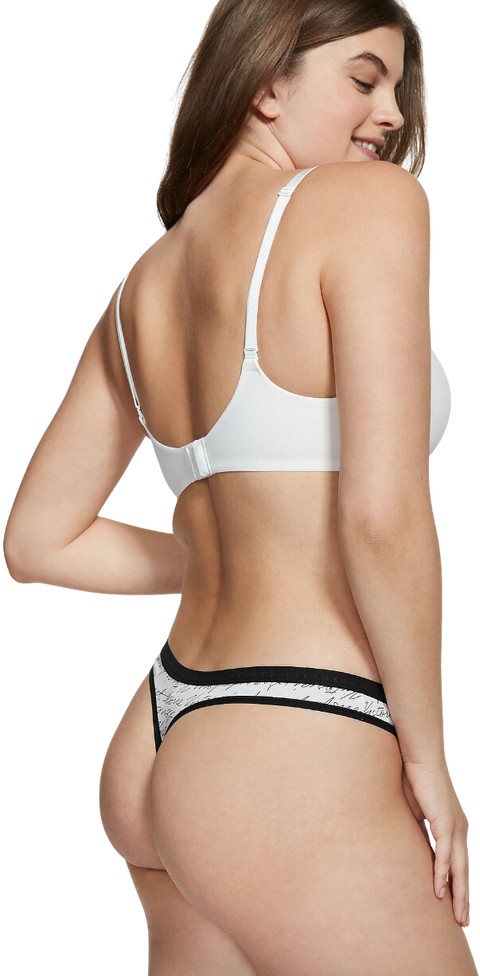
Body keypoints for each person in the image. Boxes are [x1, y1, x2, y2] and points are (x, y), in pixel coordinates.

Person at [2, 1, 476, 973]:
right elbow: (382, 517)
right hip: (295, 737)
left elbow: (39, 542)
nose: (391, 112)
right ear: (266, 83)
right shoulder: (367, 205)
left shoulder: (142, 283)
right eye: (363, 77)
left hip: (161, 732)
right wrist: (429, 759)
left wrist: (239, 555)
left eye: (398, 87)